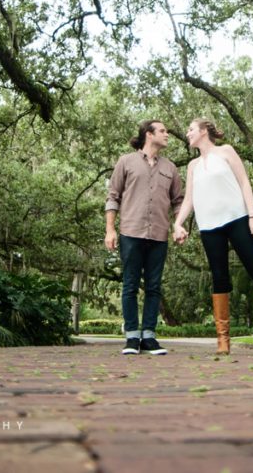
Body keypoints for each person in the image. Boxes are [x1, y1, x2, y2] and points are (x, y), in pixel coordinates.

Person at [173, 118, 253, 355]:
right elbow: (189, 199)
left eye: (191, 129)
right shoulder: (193, 165)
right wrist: (178, 223)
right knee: (219, 278)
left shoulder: (226, 151)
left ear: (204, 131)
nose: (187, 134)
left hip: (237, 219)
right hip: (208, 226)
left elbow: (244, 182)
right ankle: (223, 339)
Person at [105, 120, 184, 355]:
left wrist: (178, 226)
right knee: (129, 286)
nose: (167, 134)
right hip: (131, 232)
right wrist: (110, 229)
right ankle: (131, 337)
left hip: (159, 235)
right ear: (149, 135)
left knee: (154, 287)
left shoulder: (170, 168)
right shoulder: (126, 162)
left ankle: (149, 337)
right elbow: (112, 196)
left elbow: (179, 201)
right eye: (163, 131)